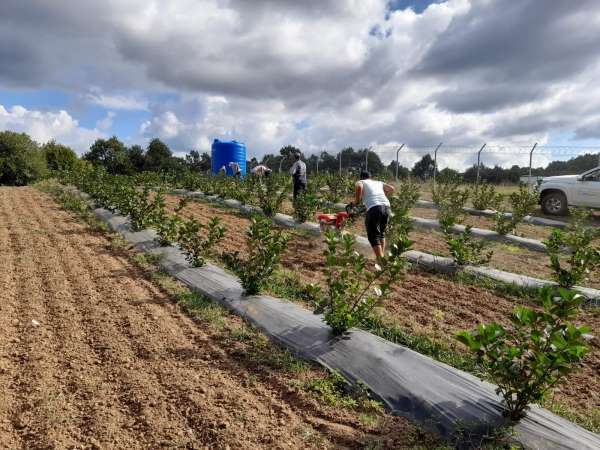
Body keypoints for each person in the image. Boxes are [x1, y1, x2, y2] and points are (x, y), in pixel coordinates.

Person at [353, 170, 395, 259]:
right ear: (370, 177)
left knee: (373, 235)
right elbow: (391, 188)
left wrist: (356, 202)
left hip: (375, 208)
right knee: (381, 233)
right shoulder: (378, 182)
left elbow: (359, 187)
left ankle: (380, 261)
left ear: (361, 177)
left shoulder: (360, 182)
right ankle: (382, 257)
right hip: (387, 207)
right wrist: (384, 197)